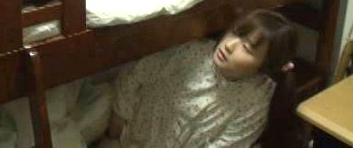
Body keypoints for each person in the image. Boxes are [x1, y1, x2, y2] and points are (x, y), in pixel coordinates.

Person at [101, 9, 304, 148]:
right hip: (128, 136)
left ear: (264, 67)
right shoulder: (195, 53)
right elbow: (138, 73)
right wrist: (116, 126)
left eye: (247, 48)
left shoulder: (255, 98)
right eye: (235, 33)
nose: (230, 45)